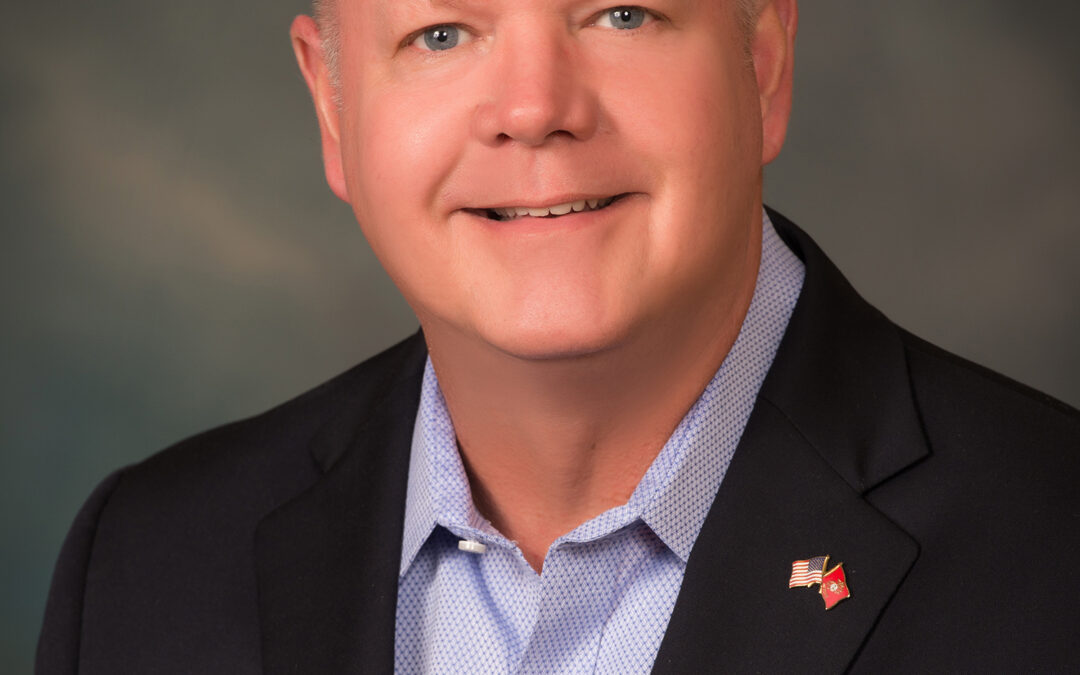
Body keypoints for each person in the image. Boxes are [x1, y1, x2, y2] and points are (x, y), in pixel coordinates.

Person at [37, 0, 1080, 672]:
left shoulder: (1052, 554)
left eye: (622, 14)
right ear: (332, 101)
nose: (535, 110)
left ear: (762, 63)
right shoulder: (144, 565)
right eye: (440, 35)